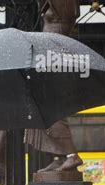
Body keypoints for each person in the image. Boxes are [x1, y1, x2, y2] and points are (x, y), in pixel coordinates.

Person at [24, 0, 83, 174]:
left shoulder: (65, 4)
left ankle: (71, 154)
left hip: (53, 52)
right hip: (47, 50)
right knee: (43, 106)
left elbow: (64, 26)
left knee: (49, 107)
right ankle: (60, 156)